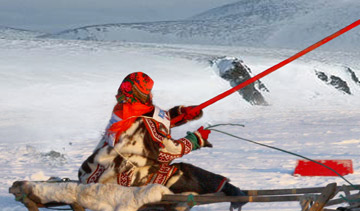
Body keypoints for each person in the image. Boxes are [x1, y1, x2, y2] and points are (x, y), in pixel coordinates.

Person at [78, 72, 246, 202]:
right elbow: (166, 152)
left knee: (163, 175)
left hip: (94, 175)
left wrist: (181, 114)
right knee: (182, 173)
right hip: (122, 181)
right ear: (141, 93)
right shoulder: (143, 122)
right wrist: (196, 140)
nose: (151, 95)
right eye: (148, 92)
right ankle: (232, 192)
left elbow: (153, 122)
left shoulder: (124, 111)